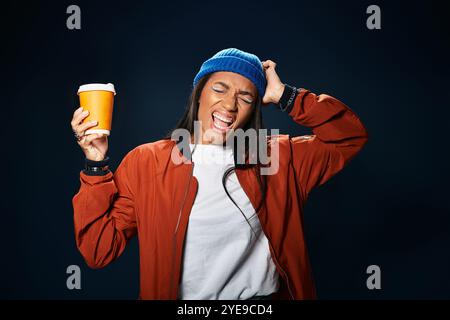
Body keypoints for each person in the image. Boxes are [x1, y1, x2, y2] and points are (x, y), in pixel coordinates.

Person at [71, 48, 368, 300]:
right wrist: (96, 165)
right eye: (219, 89)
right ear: (198, 93)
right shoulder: (147, 162)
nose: (229, 105)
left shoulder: (277, 158)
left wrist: (285, 95)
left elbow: (349, 137)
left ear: (254, 109)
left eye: (246, 97)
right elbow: (99, 250)